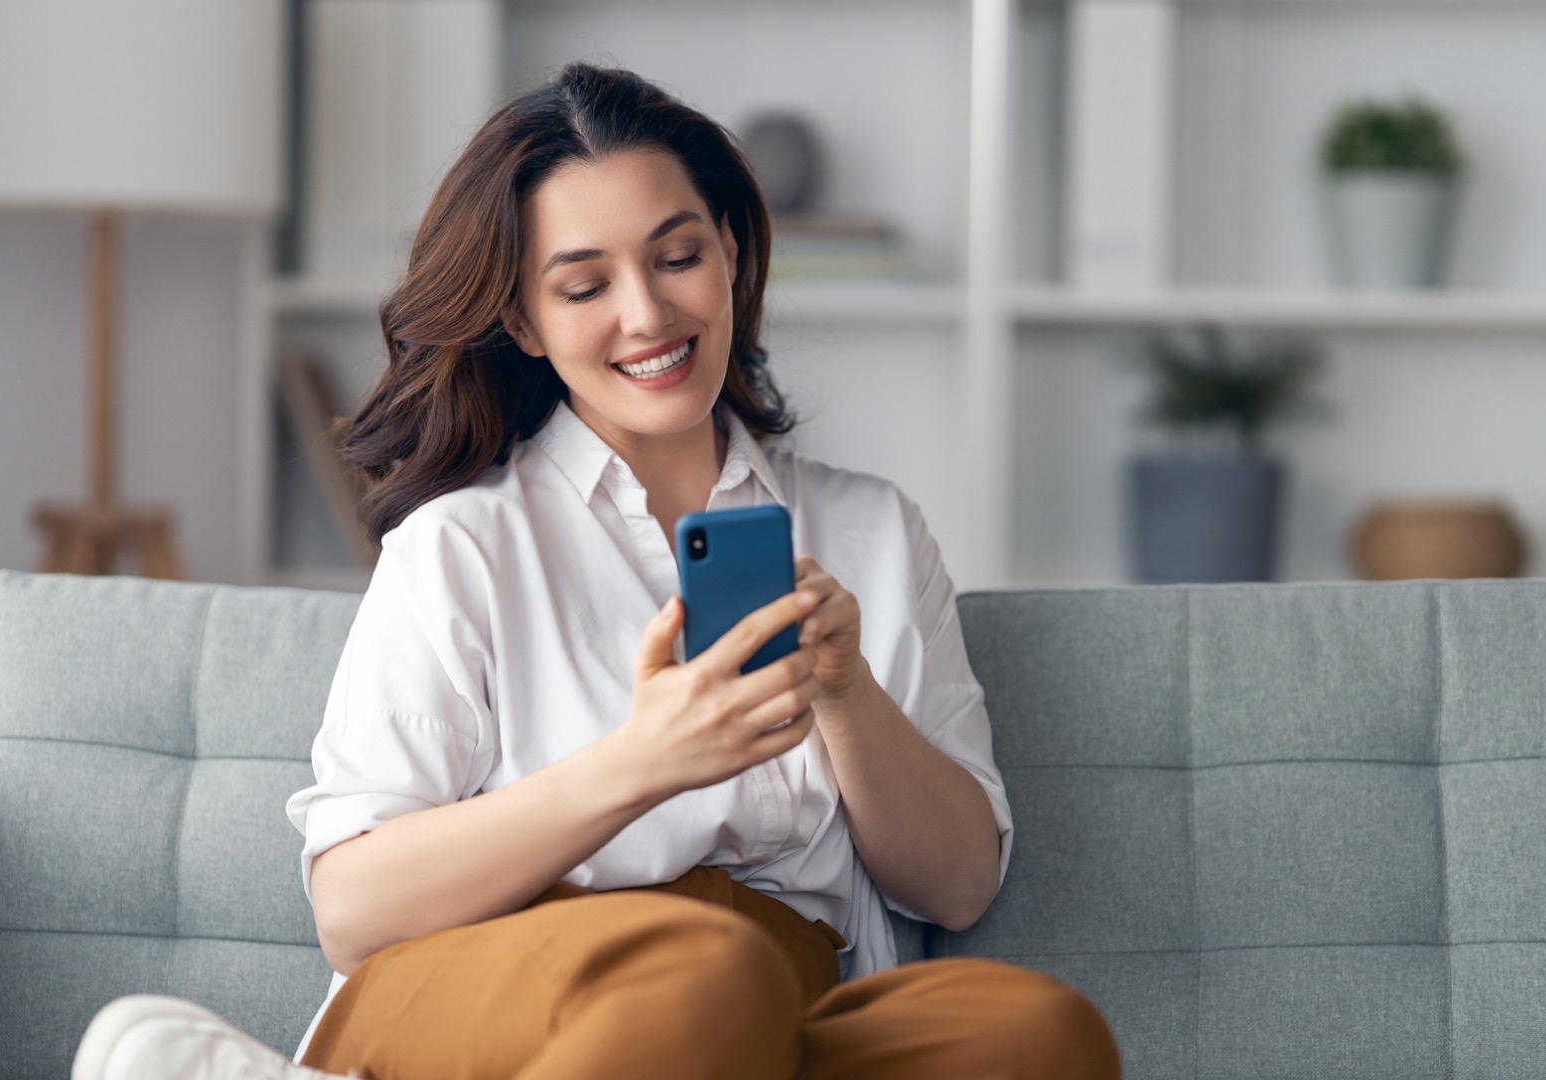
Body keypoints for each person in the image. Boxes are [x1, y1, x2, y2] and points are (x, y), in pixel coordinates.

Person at [71, 63, 1120, 1080]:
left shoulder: (872, 532)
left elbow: (959, 884)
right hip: (514, 990)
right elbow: (354, 908)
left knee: (1032, 1033)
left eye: (676, 258)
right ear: (524, 320)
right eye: (585, 284)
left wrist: (843, 695)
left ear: (732, 250)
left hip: (778, 1009)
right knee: (706, 972)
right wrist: (640, 764)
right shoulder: (462, 545)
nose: (649, 316)